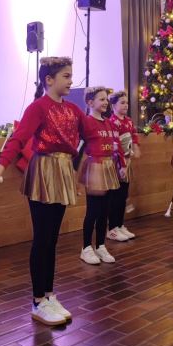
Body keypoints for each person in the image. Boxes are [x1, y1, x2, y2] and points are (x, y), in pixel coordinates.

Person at [0, 56, 83, 326]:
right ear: (49, 79)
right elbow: (16, 141)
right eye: (66, 76)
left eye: (71, 75)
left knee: (53, 240)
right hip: (43, 173)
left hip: (62, 171)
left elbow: (91, 133)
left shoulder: (73, 109)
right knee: (42, 238)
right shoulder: (38, 107)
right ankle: (37, 301)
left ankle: (49, 294)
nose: (71, 81)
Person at [78, 87, 126, 264]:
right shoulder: (86, 122)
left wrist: (122, 165)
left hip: (109, 167)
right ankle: (86, 248)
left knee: (105, 211)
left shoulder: (109, 123)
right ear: (90, 102)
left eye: (106, 99)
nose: (106, 102)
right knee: (93, 211)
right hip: (94, 168)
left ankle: (100, 245)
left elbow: (117, 146)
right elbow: (79, 148)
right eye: (101, 99)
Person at [107, 90, 140, 240]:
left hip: (127, 161)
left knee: (123, 195)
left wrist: (136, 146)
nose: (126, 105)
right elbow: (116, 145)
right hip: (118, 163)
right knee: (115, 196)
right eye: (122, 103)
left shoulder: (128, 120)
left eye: (127, 102)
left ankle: (120, 225)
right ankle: (112, 228)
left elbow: (134, 134)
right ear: (113, 105)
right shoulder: (112, 122)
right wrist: (122, 164)